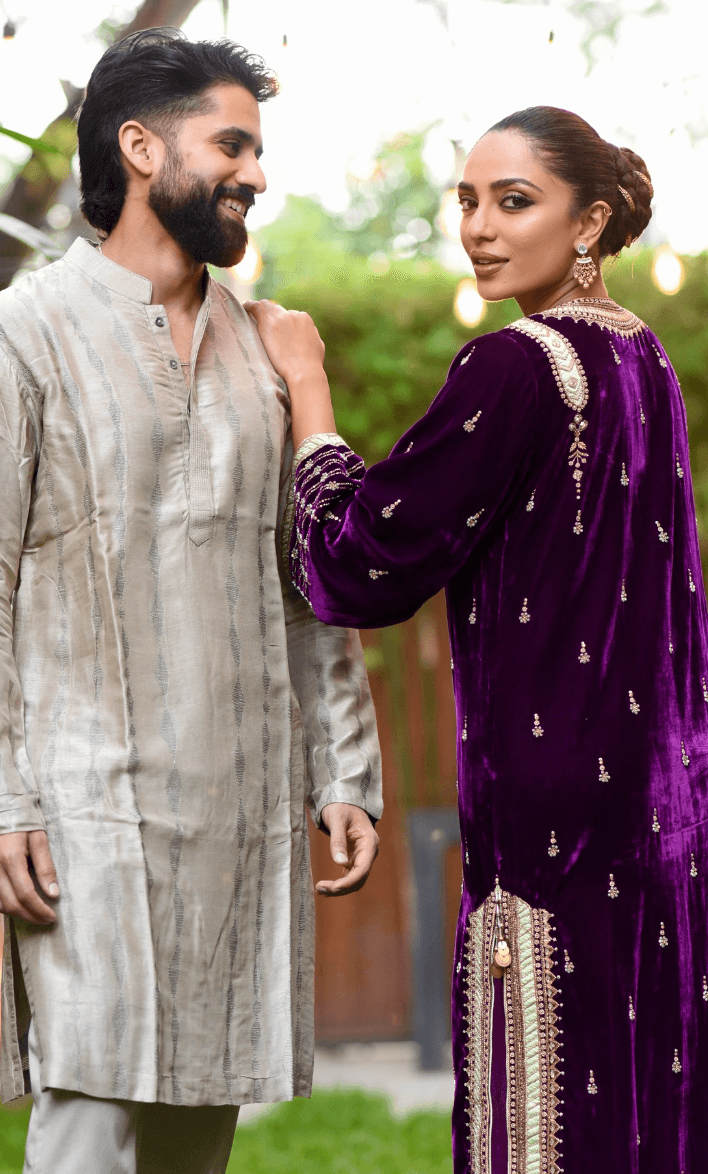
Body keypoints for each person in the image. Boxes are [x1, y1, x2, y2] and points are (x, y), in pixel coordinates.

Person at [247, 106, 708, 1174]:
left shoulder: (514, 366)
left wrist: (307, 385)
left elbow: (361, 563)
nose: (479, 227)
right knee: (644, 1106)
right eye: (467, 200)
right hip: (668, 814)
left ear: (588, 221)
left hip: (556, 835)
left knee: (543, 1123)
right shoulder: (645, 358)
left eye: (514, 201)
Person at [0, 27, 382, 1174]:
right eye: (232, 145)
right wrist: (5, 794)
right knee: (91, 1114)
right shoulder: (27, 330)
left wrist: (344, 770)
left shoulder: (264, 351)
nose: (255, 173)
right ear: (139, 147)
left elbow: (305, 582)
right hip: (84, 808)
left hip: (237, 813)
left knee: (194, 1137)